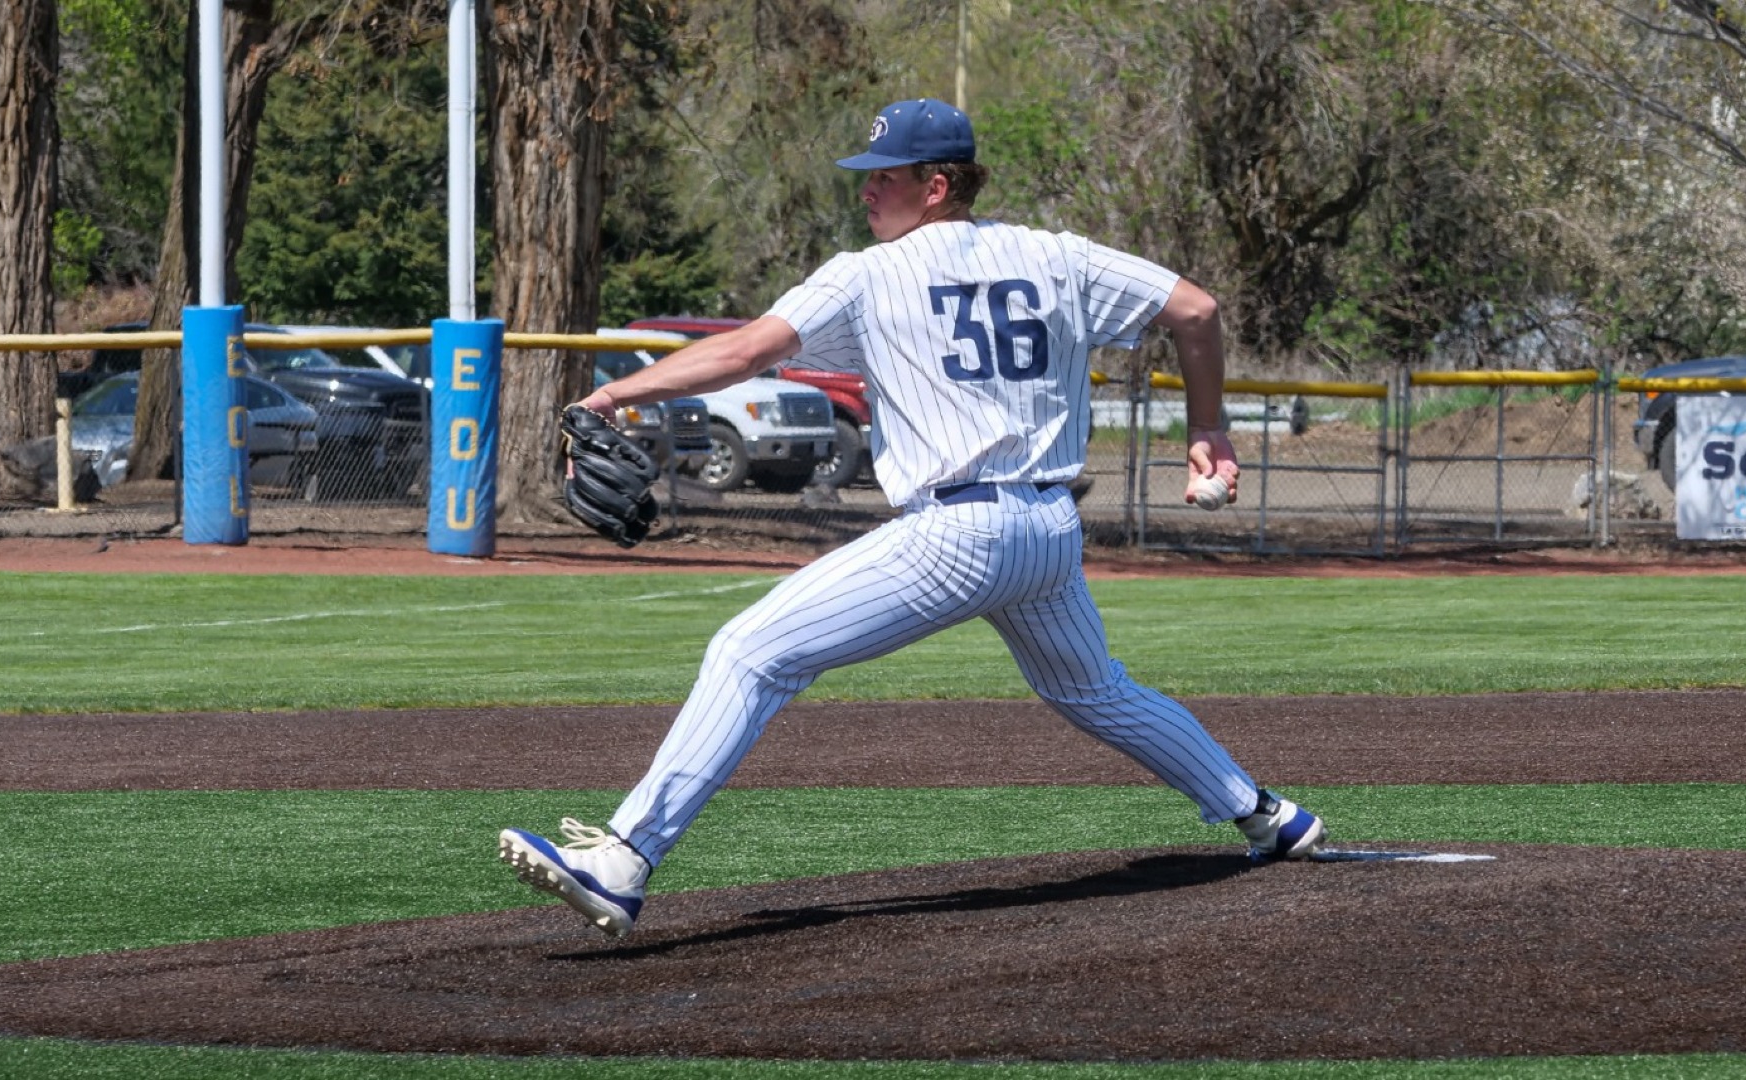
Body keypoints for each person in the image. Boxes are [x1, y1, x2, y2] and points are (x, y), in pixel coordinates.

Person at [499, 97, 1325, 937]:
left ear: (936, 187)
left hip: (958, 535)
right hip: (1047, 532)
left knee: (751, 652)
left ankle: (624, 859)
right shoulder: (1059, 256)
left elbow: (747, 351)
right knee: (1094, 689)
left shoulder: (868, 273)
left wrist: (613, 393)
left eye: (884, 177)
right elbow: (1197, 309)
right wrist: (1208, 428)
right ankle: (1267, 815)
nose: (866, 190)